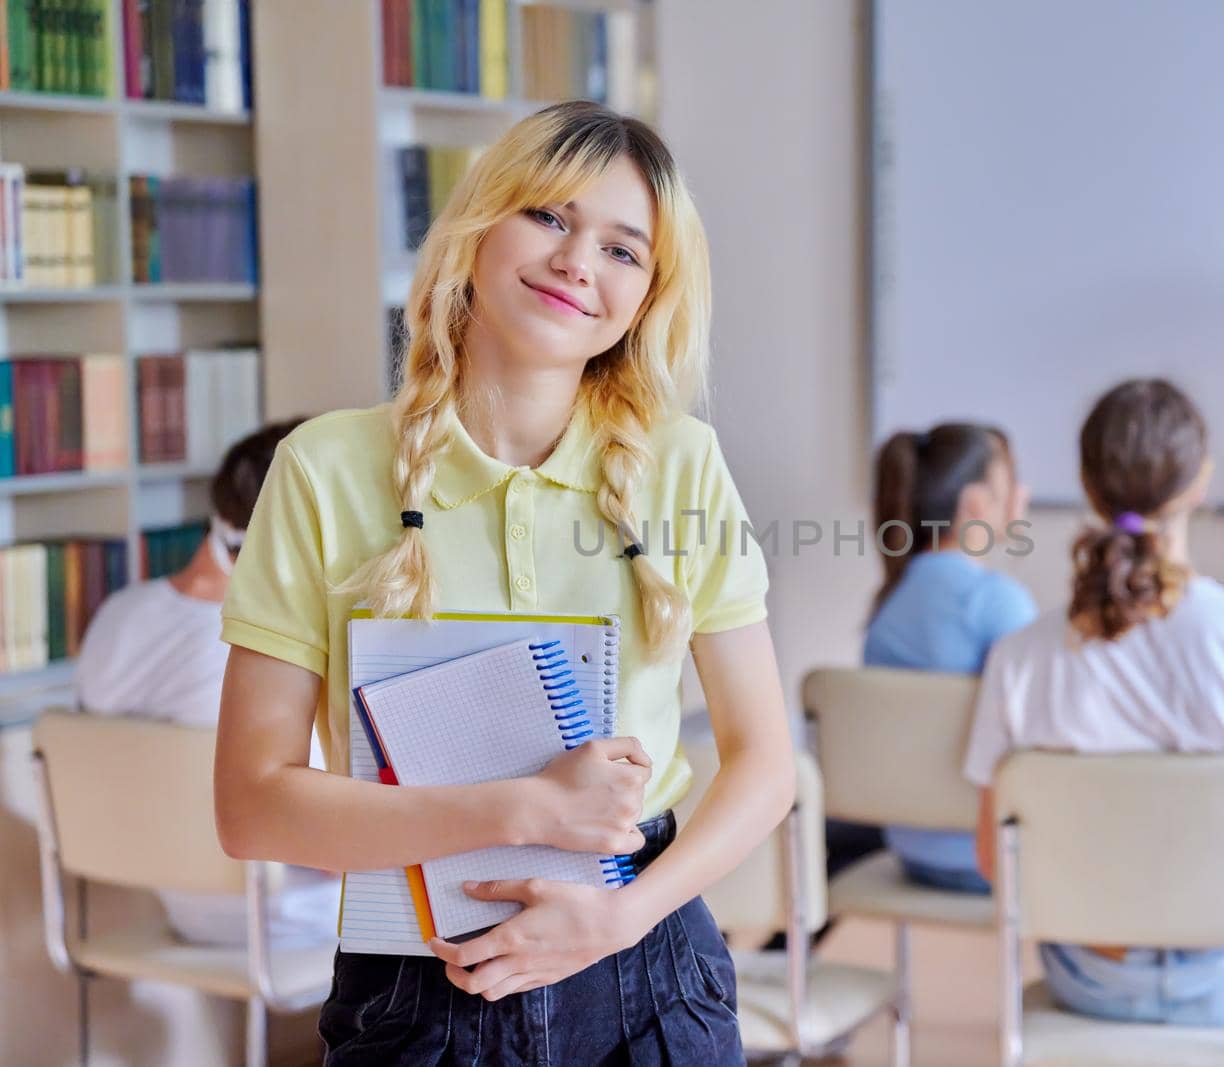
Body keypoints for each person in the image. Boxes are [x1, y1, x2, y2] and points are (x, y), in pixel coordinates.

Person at [213, 102, 793, 1064]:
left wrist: (619, 915)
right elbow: (249, 807)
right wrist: (521, 806)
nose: (578, 263)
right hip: (414, 980)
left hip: (645, 967)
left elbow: (764, 760)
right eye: (551, 218)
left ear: (648, 297)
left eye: (624, 251)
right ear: (479, 226)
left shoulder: (683, 464)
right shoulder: (323, 467)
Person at [966, 379, 1224, 1026]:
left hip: (1087, 977)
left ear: (1088, 487)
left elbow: (992, 857)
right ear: (1201, 481)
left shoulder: (1020, 657)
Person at [74, 419, 337, 948]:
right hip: (295, 915)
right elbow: (328, 843)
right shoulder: (274, 653)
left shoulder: (116, 618)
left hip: (181, 905)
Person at [863, 423, 1035, 892]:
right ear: (977, 504)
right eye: (1011, 481)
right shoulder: (998, 602)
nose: (1024, 493)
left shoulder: (888, 608)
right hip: (991, 859)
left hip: (910, 853)